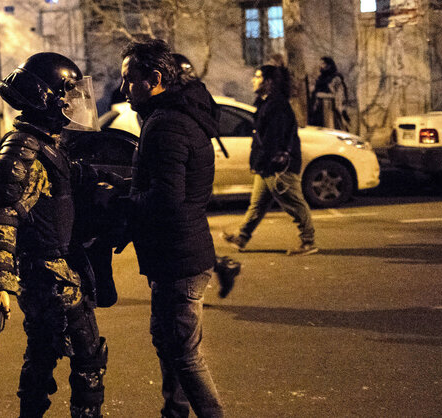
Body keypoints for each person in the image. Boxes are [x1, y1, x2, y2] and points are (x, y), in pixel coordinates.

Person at [0, 52, 109, 418]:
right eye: (66, 96)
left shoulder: (45, 144)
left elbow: (71, 175)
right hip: (49, 276)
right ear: (46, 99)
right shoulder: (23, 152)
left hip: (52, 271)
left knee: (42, 351)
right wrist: (0, 283)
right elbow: (4, 217)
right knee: (87, 358)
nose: (72, 104)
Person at [117, 39, 224, 418]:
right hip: (174, 255)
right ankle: (174, 414)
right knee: (168, 342)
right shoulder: (171, 117)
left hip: (179, 258)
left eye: (130, 79)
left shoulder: (167, 125)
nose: (123, 88)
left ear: (155, 79)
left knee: (184, 354)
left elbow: (167, 198)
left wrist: (121, 203)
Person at [222, 65, 318, 256]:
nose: (253, 80)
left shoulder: (277, 106)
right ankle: (242, 236)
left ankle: (308, 241)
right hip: (265, 165)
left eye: (257, 77)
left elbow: (273, 139)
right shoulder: (264, 103)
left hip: (278, 166)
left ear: (269, 82)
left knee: (294, 203)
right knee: (257, 204)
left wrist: (264, 161)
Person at [172, 52, 242, 299]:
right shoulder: (196, 98)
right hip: (196, 173)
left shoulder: (178, 108)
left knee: (186, 230)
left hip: (188, 175)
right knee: (193, 228)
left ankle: (219, 267)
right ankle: (222, 266)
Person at [308, 56, 350, 131]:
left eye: (323, 63)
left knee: (330, 128)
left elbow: (339, 94)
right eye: (321, 63)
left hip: (329, 108)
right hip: (319, 108)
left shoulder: (336, 78)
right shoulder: (320, 78)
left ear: (329, 65)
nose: (321, 66)